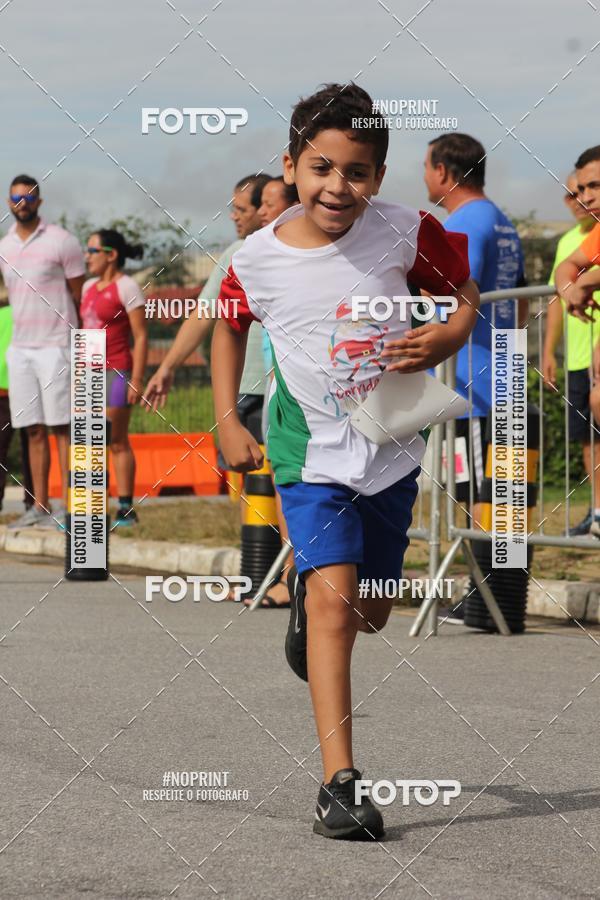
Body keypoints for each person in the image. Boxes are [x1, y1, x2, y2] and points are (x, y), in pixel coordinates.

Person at [211, 82, 479, 839]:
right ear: (292, 167)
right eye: (321, 168)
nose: (338, 186)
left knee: (373, 610)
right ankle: (340, 784)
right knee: (336, 604)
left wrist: (450, 335)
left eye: (356, 171)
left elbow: (464, 294)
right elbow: (228, 324)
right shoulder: (256, 257)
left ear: (378, 176)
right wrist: (229, 417)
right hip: (309, 454)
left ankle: (309, 602)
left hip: (389, 451)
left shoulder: (407, 230)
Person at [423, 133, 526, 623]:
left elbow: (456, 296)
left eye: (426, 167)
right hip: (502, 369)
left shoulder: (463, 222)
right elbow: (521, 300)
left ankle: (489, 601)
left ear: (443, 171)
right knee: (505, 490)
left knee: (478, 489)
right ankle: (502, 602)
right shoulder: (502, 221)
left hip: (474, 380)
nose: (424, 177)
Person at [143, 174, 272, 447]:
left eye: (240, 209)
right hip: (243, 386)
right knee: (249, 479)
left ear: (264, 210)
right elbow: (204, 314)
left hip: (281, 390)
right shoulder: (238, 253)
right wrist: (167, 367)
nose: (233, 216)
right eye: (232, 208)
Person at [0, 175, 86, 529]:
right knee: (31, 429)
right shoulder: (4, 247)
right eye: (16, 198)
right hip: (20, 350)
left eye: (29, 197)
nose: (22, 203)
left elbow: (79, 294)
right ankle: (40, 506)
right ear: (9, 203)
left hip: (55, 347)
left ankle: (70, 507)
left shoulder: (62, 241)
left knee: (60, 428)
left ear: (39, 201)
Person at [248, 177, 300, 608]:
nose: (260, 210)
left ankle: (306, 576)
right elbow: (222, 319)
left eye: (267, 203)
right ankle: (292, 578)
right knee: (286, 486)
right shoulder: (260, 253)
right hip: (276, 388)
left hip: (321, 395)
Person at [543, 170, 600, 536]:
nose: (583, 197)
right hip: (583, 356)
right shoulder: (574, 241)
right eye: (576, 192)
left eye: (593, 187)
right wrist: (550, 351)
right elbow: (559, 282)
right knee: (590, 434)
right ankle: (596, 511)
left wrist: (585, 281)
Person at [81, 229, 147, 527]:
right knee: (90, 442)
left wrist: (137, 379)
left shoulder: (128, 286)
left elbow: (141, 336)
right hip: (88, 374)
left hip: (117, 371)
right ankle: (92, 507)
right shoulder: (87, 288)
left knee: (114, 439)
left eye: (92, 251)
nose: (87, 256)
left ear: (111, 255)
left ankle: (125, 508)